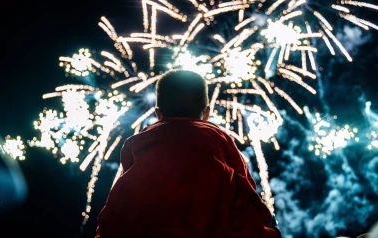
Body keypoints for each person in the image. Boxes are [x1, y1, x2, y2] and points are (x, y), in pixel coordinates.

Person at [96, 70, 281, 238]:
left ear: (159, 114)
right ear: (207, 113)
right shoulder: (220, 139)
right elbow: (247, 195)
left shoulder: (136, 142)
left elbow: (121, 201)